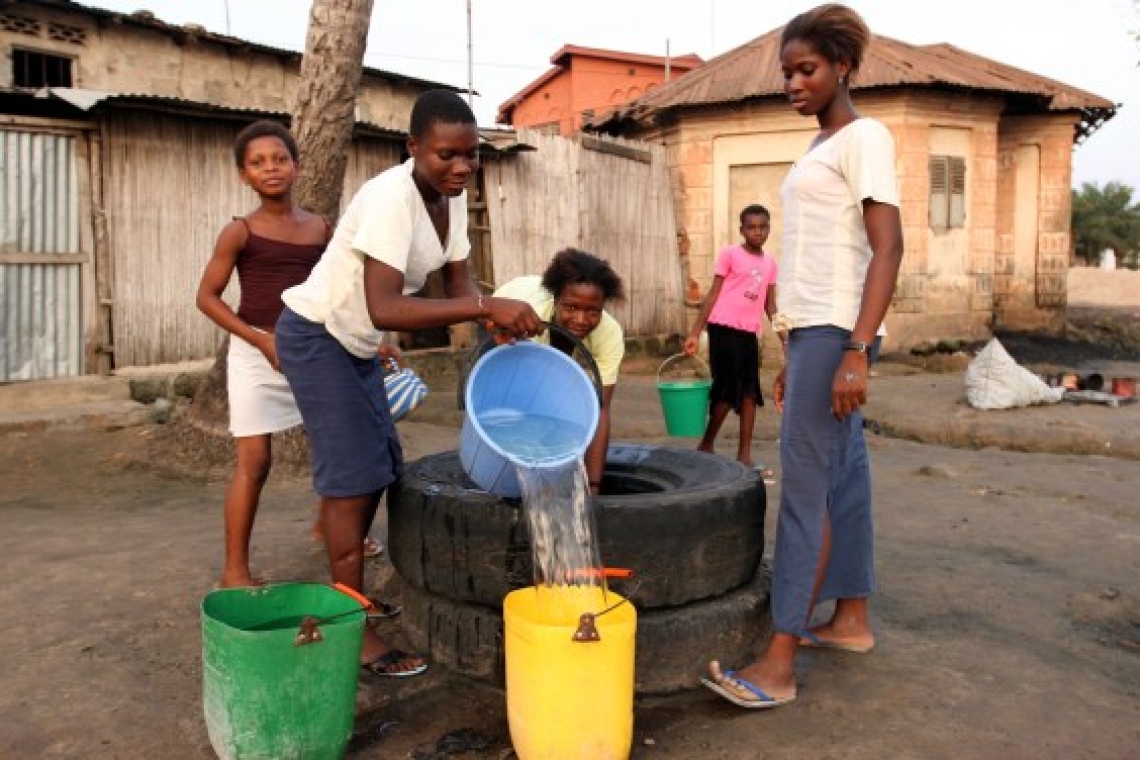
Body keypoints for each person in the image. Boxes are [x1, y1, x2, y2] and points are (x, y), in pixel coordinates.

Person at [275, 89, 541, 678]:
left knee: (384, 466)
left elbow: (458, 285)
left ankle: (357, 596)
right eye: (447, 154)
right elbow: (385, 306)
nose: (461, 167)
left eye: (470, 156)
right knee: (355, 479)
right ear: (413, 147)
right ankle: (350, 626)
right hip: (318, 337)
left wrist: (491, 319)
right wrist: (483, 309)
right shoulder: (392, 198)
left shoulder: (449, 198)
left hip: (355, 344)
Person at [702, 3, 904, 709]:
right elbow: (822, 256)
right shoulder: (820, 146)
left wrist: (854, 352)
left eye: (807, 69)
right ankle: (851, 619)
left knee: (805, 495)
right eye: (787, 71)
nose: (793, 82)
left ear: (842, 66)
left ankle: (779, 661)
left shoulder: (863, 136)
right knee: (845, 477)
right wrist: (795, 344)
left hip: (838, 334)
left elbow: (888, 248)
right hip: (817, 333)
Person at [196, 120, 333, 589]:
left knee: (337, 443)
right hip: (256, 351)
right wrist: (260, 341)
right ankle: (235, 570)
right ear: (244, 176)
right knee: (255, 461)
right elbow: (207, 297)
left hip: (313, 347)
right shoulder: (240, 232)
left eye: (279, 159)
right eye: (257, 163)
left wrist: (374, 341)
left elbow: (339, 289)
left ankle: (326, 525)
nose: (270, 168)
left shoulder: (320, 229)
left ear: (296, 166)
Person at [493, 248, 626, 496]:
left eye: (592, 311)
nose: (581, 319)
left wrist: (594, 485)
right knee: (514, 403)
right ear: (555, 299)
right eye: (571, 307)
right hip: (501, 327)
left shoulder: (609, 334)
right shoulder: (530, 318)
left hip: (551, 346)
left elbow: (600, 409)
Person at [682, 205, 782, 475]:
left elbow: (770, 306)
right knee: (727, 390)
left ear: (769, 229)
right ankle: (707, 444)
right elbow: (713, 294)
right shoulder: (730, 255)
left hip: (750, 333)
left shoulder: (770, 263)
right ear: (742, 230)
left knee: (750, 391)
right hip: (723, 329)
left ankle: (744, 456)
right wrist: (695, 333)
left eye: (763, 227)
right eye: (751, 227)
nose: (757, 232)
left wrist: (784, 336)